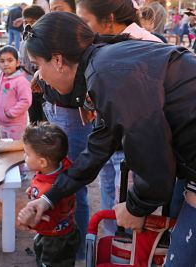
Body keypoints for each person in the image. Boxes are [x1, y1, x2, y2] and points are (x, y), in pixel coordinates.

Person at [17, 11, 196, 267]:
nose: (40, 76)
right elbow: (97, 150)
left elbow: (153, 160)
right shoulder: (103, 66)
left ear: (57, 60)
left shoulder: (106, 74)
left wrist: (135, 207)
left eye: (38, 66)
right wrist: (49, 198)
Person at [76, 0, 162, 237]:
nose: (82, 28)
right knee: (107, 185)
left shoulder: (147, 44)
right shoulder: (99, 44)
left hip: (132, 141)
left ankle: (126, 243)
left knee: (125, 192)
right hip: (108, 133)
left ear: (109, 18)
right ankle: (113, 238)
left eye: (85, 21)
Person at [32, 0, 92, 262]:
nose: (40, 75)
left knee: (73, 181)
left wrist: (139, 205)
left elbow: (99, 151)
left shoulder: (99, 81)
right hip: (59, 110)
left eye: (56, 8)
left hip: (71, 115)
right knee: (65, 177)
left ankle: (73, 246)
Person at [21, 122, 79, 266]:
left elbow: (45, 222)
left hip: (53, 240)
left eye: (27, 154)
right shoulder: (64, 167)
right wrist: (34, 189)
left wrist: (28, 222)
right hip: (67, 230)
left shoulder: (47, 190)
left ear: (42, 162)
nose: (24, 156)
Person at [0, 45, 32, 140]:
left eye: (10, 60)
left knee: (15, 149)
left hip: (16, 124)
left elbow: (26, 101)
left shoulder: (21, 81)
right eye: (2, 61)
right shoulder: (1, 77)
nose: (6, 64)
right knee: (5, 148)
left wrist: (11, 113)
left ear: (18, 63)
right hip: (2, 123)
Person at [20, 5, 46, 125]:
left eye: (33, 21)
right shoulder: (25, 38)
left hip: (43, 84)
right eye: (26, 22)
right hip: (28, 84)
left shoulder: (44, 39)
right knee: (33, 119)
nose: (29, 25)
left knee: (45, 120)